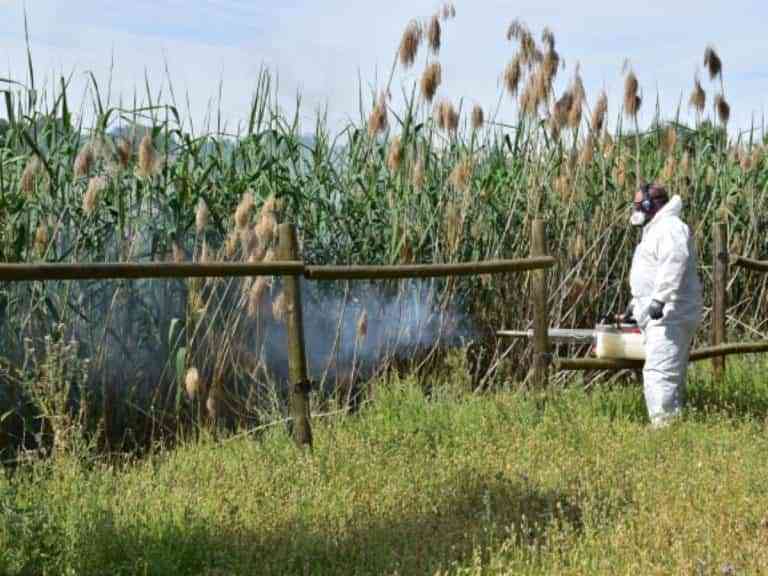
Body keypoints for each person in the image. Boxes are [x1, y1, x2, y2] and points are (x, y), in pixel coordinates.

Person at [622, 183, 703, 427]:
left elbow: (673, 262)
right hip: (660, 314)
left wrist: (659, 300)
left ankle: (663, 429)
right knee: (666, 372)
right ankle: (671, 426)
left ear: (650, 205)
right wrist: (635, 306)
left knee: (660, 373)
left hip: (670, 314)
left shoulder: (669, 227)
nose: (637, 210)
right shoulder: (656, 229)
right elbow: (651, 274)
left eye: (639, 205)